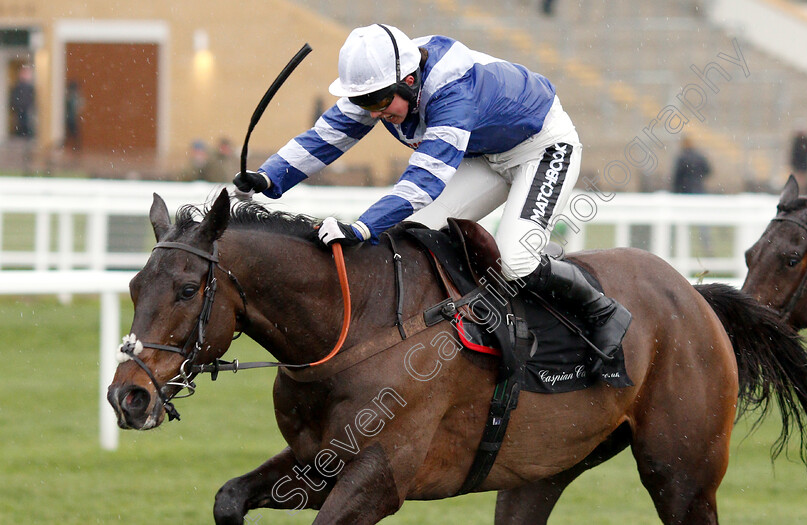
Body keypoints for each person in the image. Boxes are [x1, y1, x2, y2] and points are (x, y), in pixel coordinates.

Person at [233, 24, 631, 358]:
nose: (372, 112)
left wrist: (363, 227)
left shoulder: (453, 92)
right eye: (362, 102)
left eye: (377, 101)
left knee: (516, 257)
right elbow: (327, 137)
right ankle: (466, 324)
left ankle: (602, 310)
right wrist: (268, 178)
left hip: (543, 149)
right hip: (483, 153)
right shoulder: (388, 83)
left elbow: (426, 180)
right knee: (410, 238)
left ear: (409, 81)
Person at [9, 65, 35, 138]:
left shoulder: (29, 87)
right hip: (20, 108)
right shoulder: (18, 86)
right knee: (21, 123)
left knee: (26, 123)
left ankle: (25, 135)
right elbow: (14, 97)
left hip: (26, 108)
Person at [789, 127, 807, 195]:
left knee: (803, 182)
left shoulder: (805, 142)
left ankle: (803, 193)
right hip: (799, 166)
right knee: (799, 182)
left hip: (803, 166)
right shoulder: (797, 142)